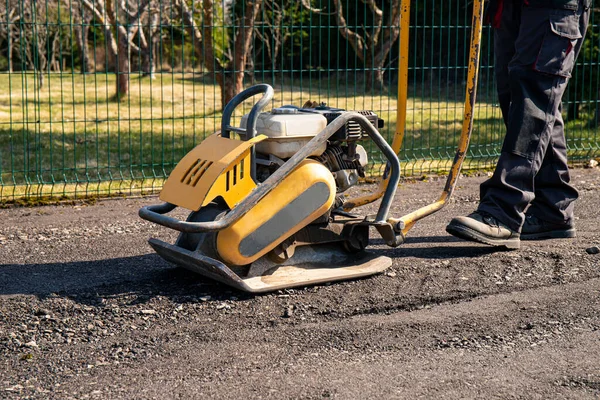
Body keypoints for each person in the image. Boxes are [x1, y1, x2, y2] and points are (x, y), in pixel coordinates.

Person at [446, 0, 592, 250]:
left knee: (531, 101)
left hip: (553, 6)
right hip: (510, 6)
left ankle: (503, 209)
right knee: (522, 100)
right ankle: (552, 208)